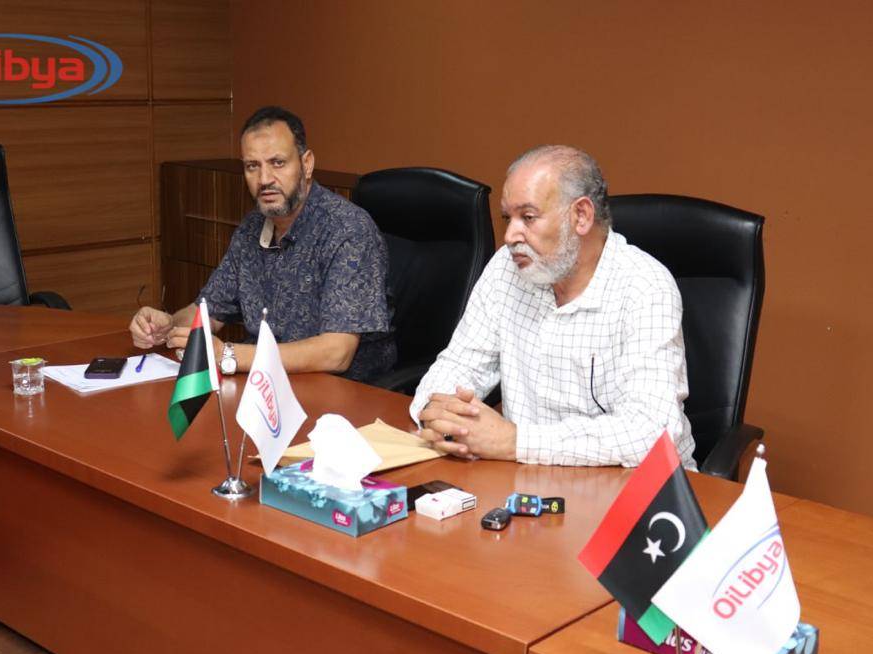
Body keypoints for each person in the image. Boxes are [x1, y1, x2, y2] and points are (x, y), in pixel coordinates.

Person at [411, 145, 696, 468]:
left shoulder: (645, 286)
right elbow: (459, 365)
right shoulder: (506, 267)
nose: (509, 236)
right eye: (507, 218)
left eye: (527, 217)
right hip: (527, 478)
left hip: (636, 486)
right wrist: (440, 415)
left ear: (581, 216)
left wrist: (514, 441)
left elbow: (651, 433)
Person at [129, 106, 395, 382]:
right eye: (252, 166)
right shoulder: (251, 228)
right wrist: (167, 325)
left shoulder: (347, 230)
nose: (264, 179)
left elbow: (336, 354)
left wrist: (228, 354)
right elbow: (209, 311)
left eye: (277, 163)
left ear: (306, 164)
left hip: (339, 390)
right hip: (262, 382)